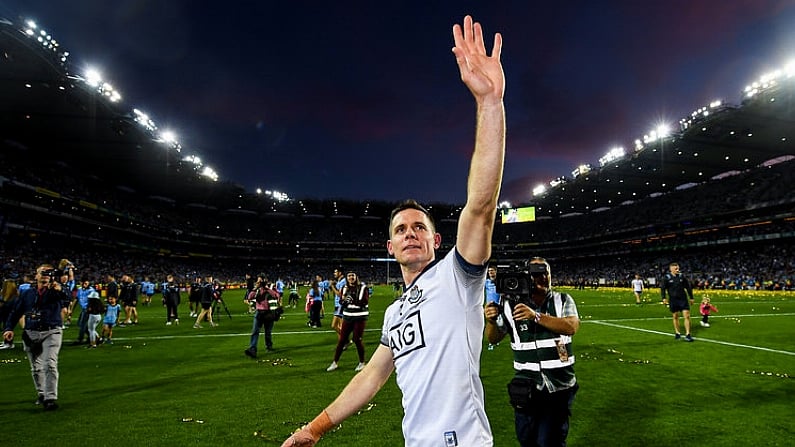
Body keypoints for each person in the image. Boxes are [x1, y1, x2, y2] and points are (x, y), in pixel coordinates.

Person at [281, 14, 505, 446]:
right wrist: (314, 429)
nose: (410, 233)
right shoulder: (395, 313)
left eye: (419, 226)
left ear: (436, 241)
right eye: (400, 229)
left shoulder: (458, 276)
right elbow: (371, 378)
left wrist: (490, 104)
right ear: (390, 246)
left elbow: (480, 207)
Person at [484, 258, 580, 447]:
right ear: (527, 277)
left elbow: (571, 326)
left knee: (549, 441)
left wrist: (535, 316)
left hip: (558, 384)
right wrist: (491, 321)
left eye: (545, 273)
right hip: (526, 387)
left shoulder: (563, 299)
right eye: (536, 274)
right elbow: (493, 338)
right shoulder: (510, 306)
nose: (542, 278)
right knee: (526, 439)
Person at [3, 264, 71, 411]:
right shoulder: (28, 293)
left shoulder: (56, 291)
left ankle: (50, 398)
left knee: (50, 364)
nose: (46, 275)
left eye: (49, 273)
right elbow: (16, 311)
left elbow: (67, 297)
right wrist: (9, 328)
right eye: (43, 272)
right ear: (36, 275)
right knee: (36, 368)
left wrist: (61, 289)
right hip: (31, 332)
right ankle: (41, 393)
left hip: (51, 331)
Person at [326, 271, 369, 372]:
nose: (351, 277)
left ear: (356, 277)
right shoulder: (344, 288)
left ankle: (362, 362)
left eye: (352, 275)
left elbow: (365, 301)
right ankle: (335, 362)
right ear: (346, 278)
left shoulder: (363, 287)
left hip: (359, 317)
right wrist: (344, 301)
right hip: (347, 316)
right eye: (349, 276)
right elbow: (341, 300)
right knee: (342, 340)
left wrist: (352, 300)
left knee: (357, 339)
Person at [244, 278, 281, 357]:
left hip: (269, 313)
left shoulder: (270, 288)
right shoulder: (257, 290)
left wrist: (267, 288)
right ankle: (252, 349)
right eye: (258, 281)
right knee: (255, 331)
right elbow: (250, 297)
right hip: (259, 313)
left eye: (261, 281)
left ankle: (269, 346)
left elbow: (276, 295)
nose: (260, 282)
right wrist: (256, 288)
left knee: (268, 332)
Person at [660, 262, 695, 342]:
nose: (678, 270)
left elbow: (688, 287)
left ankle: (688, 334)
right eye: (676, 269)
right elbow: (663, 288)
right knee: (675, 316)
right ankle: (677, 333)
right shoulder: (667, 278)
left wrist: (691, 297)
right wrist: (664, 298)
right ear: (671, 269)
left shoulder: (682, 276)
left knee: (687, 316)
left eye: (678, 268)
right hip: (673, 300)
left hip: (683, 299)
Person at [70, 278, 95, 345]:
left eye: (87, 283)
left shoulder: (91, 290)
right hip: (84, 309)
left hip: (88, 309)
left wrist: (90, 308)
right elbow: (76, 299)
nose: (85, 285)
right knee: (80, 323)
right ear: (81, 283)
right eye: (84, 283)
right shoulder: (80, 290)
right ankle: (92, 336)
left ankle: (80, 339)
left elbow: (94, 300)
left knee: (82, 324)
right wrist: (71, 310)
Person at [484, 265, 500, 351]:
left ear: (496, 272)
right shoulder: (486, 282)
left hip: (499, 306)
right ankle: (491, 343)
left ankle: (496, 339)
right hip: (490, 306)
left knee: (500, 324)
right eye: (489, 271)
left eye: (492, 271)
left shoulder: (499, 282)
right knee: (491, 323)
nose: (491, 272)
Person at [330, 268, 346, 336]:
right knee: (339, 326)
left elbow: (340, 294)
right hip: (337, 305)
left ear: (340, 273)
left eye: (335, 272)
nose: (334, 273)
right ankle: (342, 344)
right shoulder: (339, 281)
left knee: (334, 325)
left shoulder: (343, 281)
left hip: (340, 305)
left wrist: (332, 286)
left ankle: (345, 340)